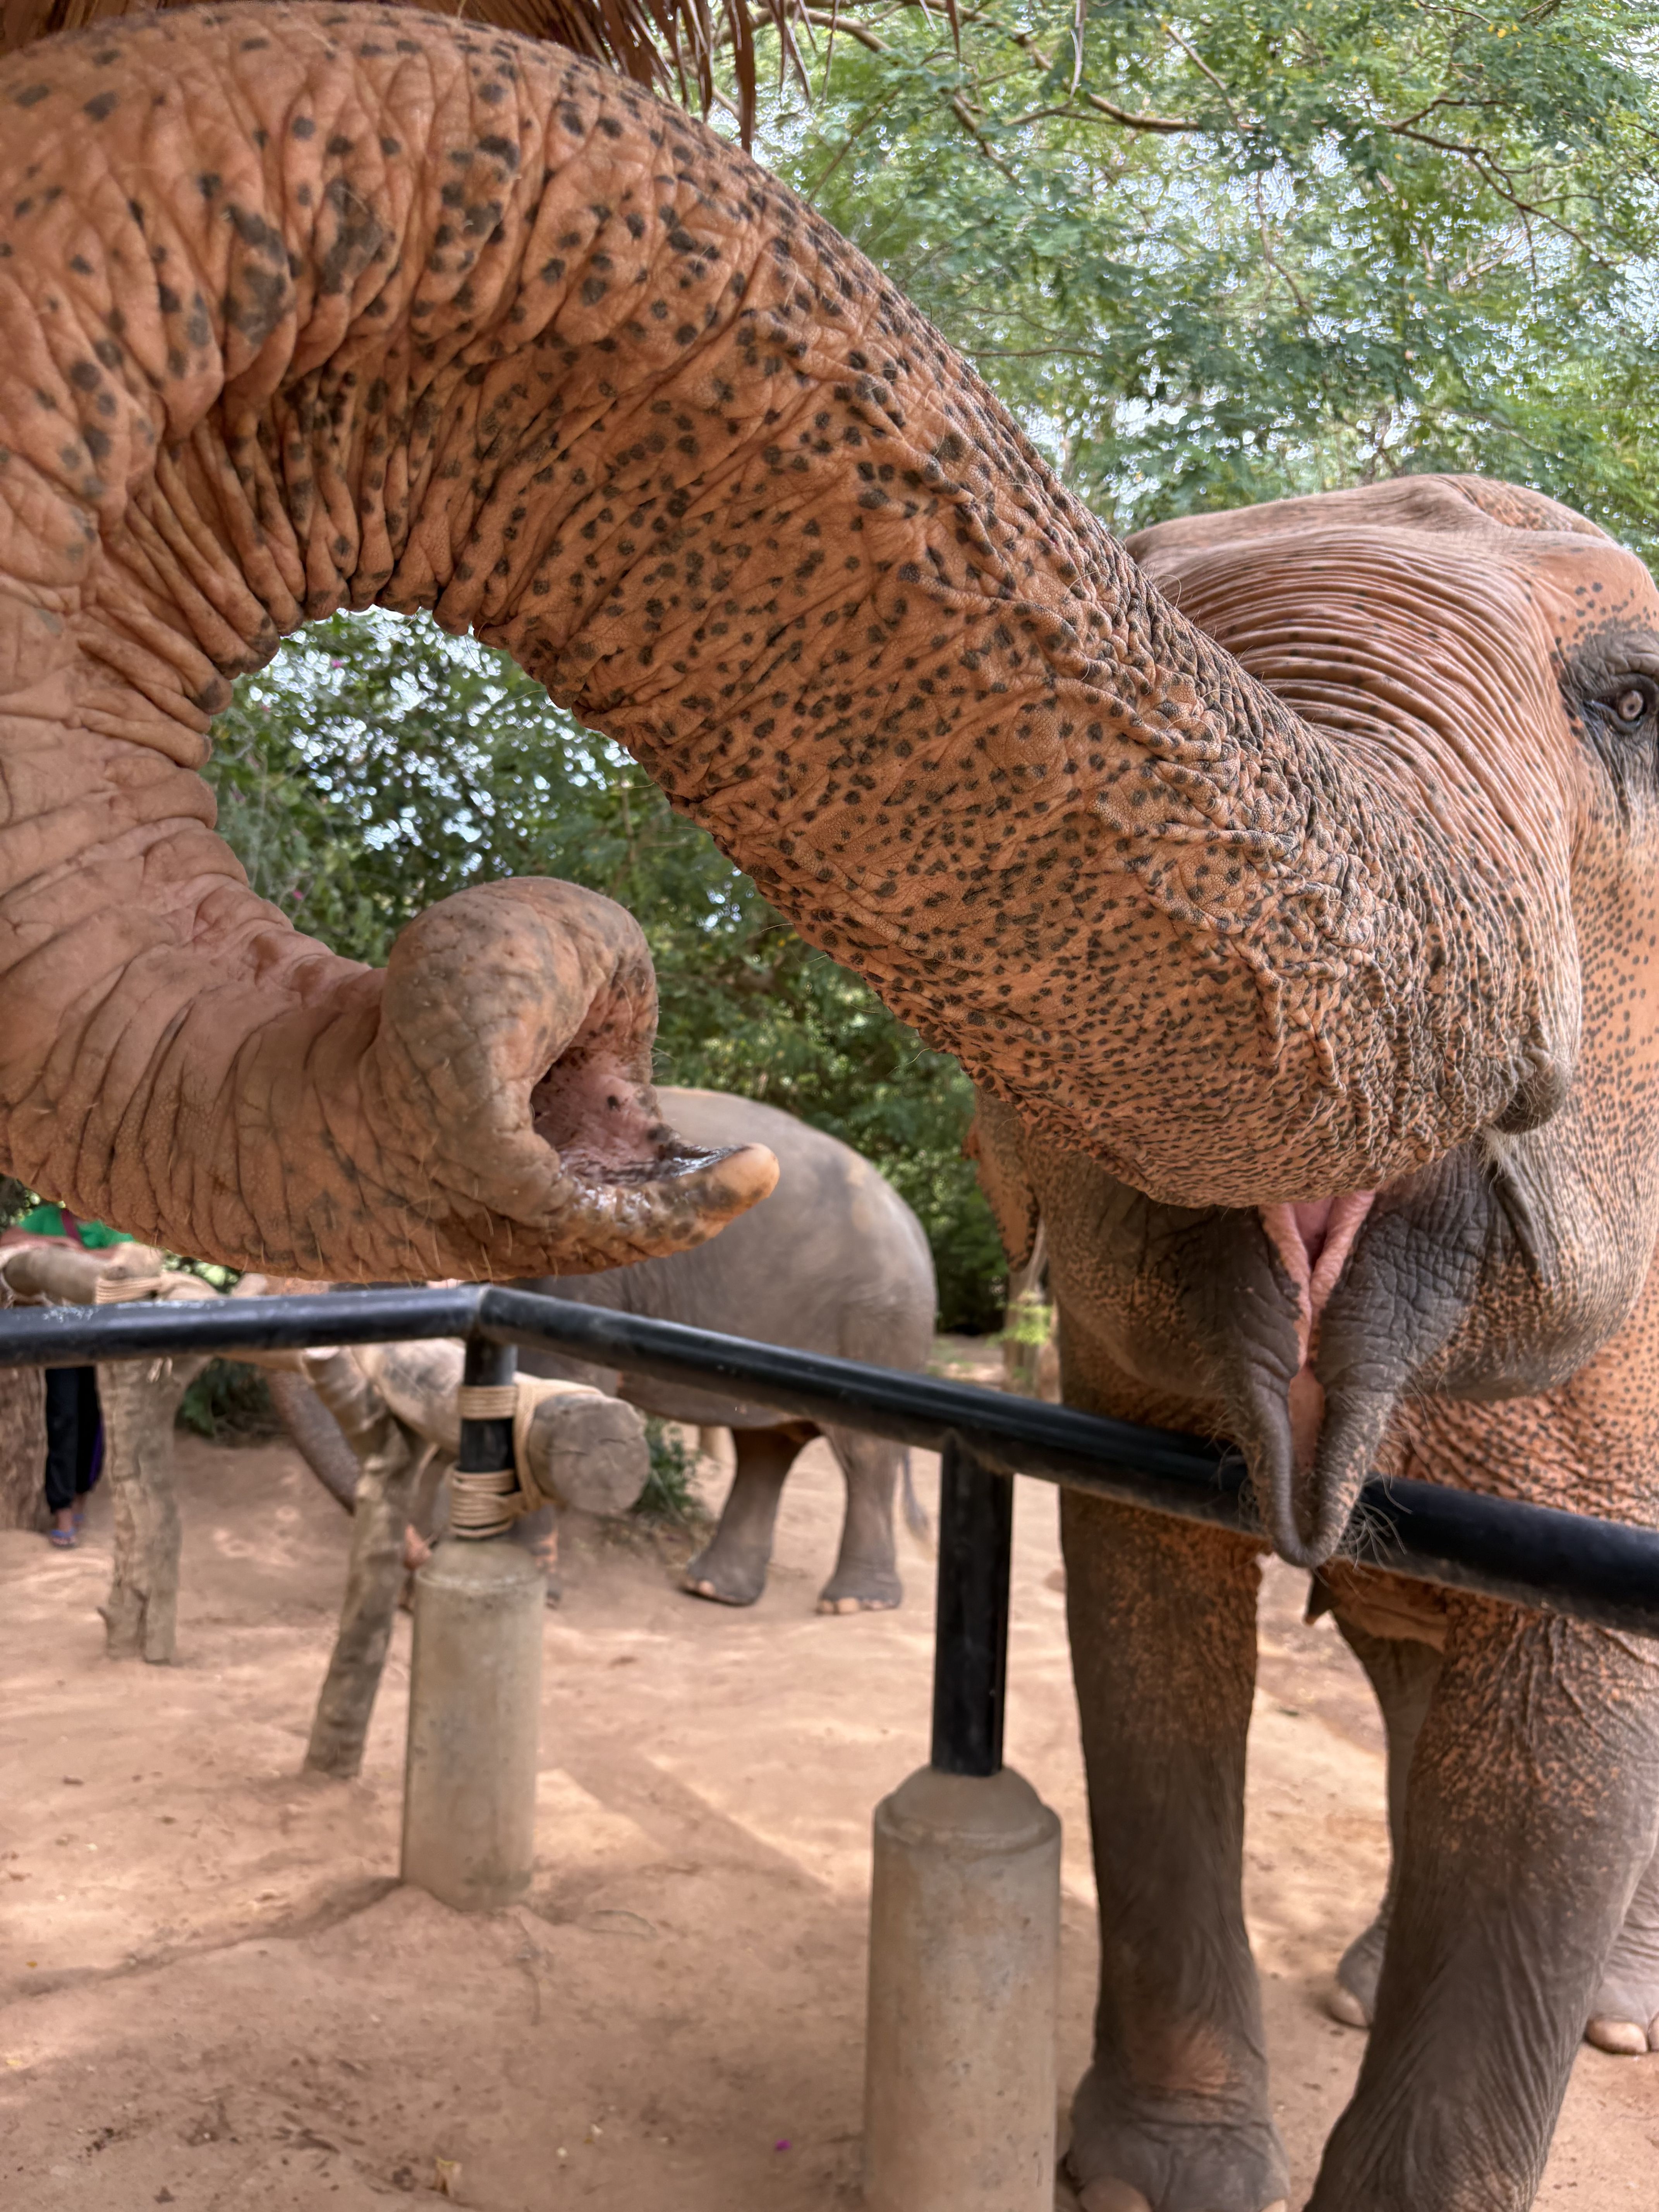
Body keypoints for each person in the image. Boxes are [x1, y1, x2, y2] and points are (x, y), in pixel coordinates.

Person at [2, 1201, 134, 1547]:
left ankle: (80, 1497)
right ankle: (62, 1510)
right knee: (63, 1416)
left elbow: (128, 1256)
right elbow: (9, 1239)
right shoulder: (47, 1218)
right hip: (59, 1336)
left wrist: (73, 1258)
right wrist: (53, 1244)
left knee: (94, 1417)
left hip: (101, 1336)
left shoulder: (111, 1222)